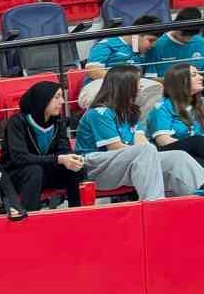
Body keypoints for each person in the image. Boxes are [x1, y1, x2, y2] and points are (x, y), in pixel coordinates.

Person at [74, 65, 204, 200]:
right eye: (137, 83)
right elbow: (115, 147)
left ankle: (197, 201)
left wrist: (149, 153)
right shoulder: (99, 112)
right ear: (125, 86)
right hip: (94, 167)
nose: (141, 87)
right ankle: (154, 204)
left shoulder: (131, 111)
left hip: (128, 161)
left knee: (178, 157)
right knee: (147, 150)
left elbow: (141, 141)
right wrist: (148, 153)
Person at [0, 82, 85, 212]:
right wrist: (58, 159)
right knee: (34, 170)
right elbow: (19, 158)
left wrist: (71, 159)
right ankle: (30, 216)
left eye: (62, 96)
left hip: (45, 171)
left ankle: (77, 212)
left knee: (75, 168)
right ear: (43, 99)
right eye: (57, 97)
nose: (62, 101)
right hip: (17, 174)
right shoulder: (17, 122)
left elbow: (63, 150)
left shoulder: (58, 121)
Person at [80, 17, 163, 113]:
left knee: (156, 88)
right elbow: (93, 71)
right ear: (135, 35)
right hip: (101, 85)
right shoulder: (107, 44)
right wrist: (125, 82)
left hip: (133, 86)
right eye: (150, 40)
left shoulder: (148, 51)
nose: (152, 45)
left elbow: (149, 79)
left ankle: (140, 126)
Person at [144, 63, 204, 166]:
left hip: (197, 152)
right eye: (194, 75)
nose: (201, 77)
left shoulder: (200, 103)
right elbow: (163, 141)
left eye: (199, 74)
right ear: (180, 81)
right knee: (196, 141)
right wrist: (192, 145)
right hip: (168, 152)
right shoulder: (162, 107)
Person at [145, 9, 204, 75]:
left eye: (191, 36)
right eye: (184, 35)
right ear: (176, 27)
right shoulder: (156, 45)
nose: (187, 40)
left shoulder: (201, 42)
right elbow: (151, 78)